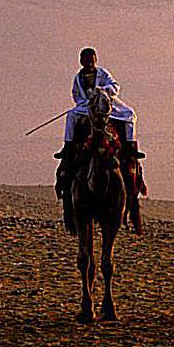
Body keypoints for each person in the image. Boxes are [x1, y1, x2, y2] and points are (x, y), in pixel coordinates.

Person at [55, 47, 145, 232]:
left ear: (95, 59)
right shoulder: (78, 78)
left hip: (106, 104)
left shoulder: (103, 74)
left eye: (91, 59)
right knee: (71, 116)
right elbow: (76, 96)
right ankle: (68, 146)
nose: (89, 62)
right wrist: (87, 101)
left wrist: (101, 92)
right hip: (87, 107)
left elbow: (115, 87)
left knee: (130, 114)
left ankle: (130, 146)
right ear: (81, 61)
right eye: (86, 59)